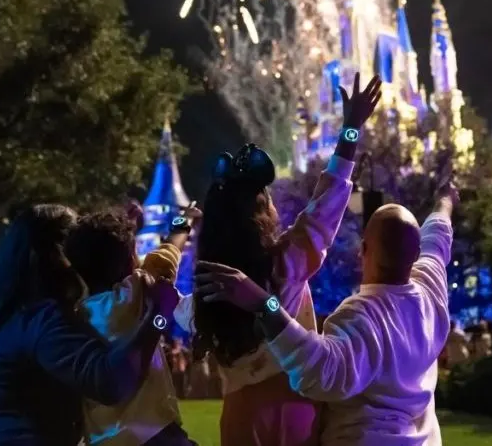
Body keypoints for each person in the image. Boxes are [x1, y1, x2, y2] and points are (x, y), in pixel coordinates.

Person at [178, 74, 383, 446]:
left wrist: (176, 235)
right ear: (262, 213)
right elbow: (329, 201)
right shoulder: (285, 265)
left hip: (240, 419)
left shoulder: (207, 289)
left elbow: (174, 305)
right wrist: (350, 129)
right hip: (297, 409)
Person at [196, 185, 458, 446]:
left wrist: (264, 305)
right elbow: (438, 236)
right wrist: (445, 201)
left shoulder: (363, 317)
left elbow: (320, 371)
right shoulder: (430, 290)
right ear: (415, 254)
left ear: (363, 251)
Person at [0, 204, 177, 446]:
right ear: (57, 254)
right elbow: (110, 382)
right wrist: (159, 316)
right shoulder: (38, 319)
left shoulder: (0, 307)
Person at [67, 204, 197, 446]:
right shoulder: (137, 292)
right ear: (130, 262)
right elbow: (166, 254)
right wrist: (184, 221)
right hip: (155, 434)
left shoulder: (72, 316)